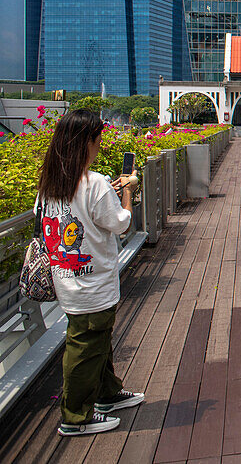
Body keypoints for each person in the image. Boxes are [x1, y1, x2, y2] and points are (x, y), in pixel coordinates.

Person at [36, 110, 144, 436]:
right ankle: (75, 416)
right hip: (94, 282)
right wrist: (128, 189)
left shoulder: (50, 185)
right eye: (97, 140)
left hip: (67, 278)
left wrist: (108, 192)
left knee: (97, 339)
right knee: (84, 347)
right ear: (86, 144)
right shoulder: (93, 183)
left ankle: (107, 393)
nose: (99, 146)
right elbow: (121, 223)